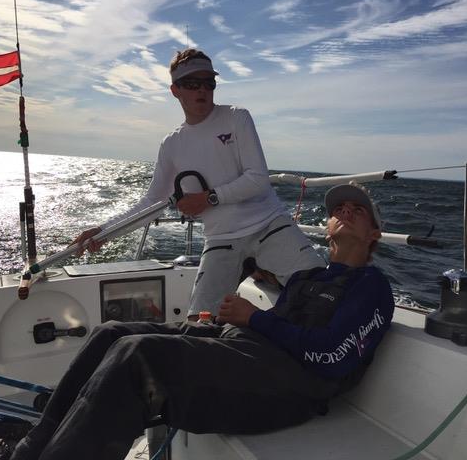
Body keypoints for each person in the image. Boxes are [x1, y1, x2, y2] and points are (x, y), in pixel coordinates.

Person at [9, 183, 394, 460]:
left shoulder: (372, 286)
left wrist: (256, 320)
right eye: (338, 209)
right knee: (112, 332)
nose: (344, 211)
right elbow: (277, 327)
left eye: (356, 211)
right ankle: (31, 448)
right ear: (326, 228)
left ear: (374, 234)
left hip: (293, 391)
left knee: (138, 356)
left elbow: (331, 357)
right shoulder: (308, 278)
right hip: (255, 358)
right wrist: (231, 322)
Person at [72, 48, 325, 318]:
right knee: (199, 323)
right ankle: (264, 274)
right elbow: (153, 203)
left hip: (269, 225)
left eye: (208, 83)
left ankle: (267, 273)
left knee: (323, 293)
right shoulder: (172, 144)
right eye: (192, 84)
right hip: (221, 239)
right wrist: (103, 232)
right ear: (175, 90)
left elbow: (258, 179)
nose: (202, 90)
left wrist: (207, 198)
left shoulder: (237, 117)